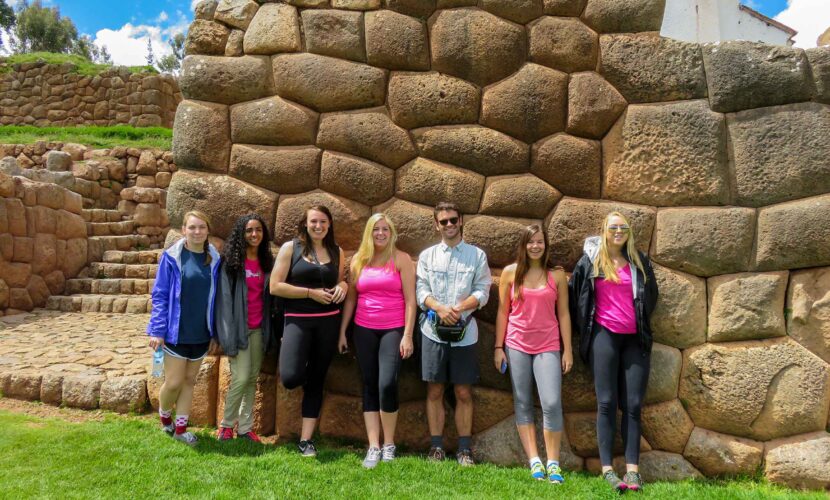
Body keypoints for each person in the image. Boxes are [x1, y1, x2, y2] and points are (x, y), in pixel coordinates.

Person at [569, 212, 658, 493]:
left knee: (633, 405)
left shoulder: (639, 261)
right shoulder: (591, 261)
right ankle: (607, 470)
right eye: (613, 227)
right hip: (603, 336)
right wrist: (587, 328)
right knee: (606, 402)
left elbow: (651, 295)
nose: (618, 231)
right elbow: (576, 297)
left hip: (635, 339)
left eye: (623, 227)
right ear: (604, 230)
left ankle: (633, 472)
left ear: (629, 232)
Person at [494, 224, 573, 484]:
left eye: (540, 241)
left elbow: (564, 314)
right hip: (516, 344)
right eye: (531, 242)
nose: (535, 246)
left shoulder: (557, 275)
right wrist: (498, 348)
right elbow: (503, 312)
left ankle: (553, 463)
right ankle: (534, 460)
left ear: (546, 245)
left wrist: (567, 350)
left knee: (551, 402)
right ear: (523, 245)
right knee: (522, 402)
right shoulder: (510, 273)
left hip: (548, 345)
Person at [338, 213, 416, 469]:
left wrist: (407, 335)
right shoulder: (358, 260)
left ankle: (389, 444)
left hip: (393, 329)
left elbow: (411, 301)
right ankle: (373, 446)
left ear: (391, 233)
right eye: (376, 229)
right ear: (369, 233)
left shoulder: (402, 259)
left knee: (387, 384)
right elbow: (351, 297)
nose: (381, 233)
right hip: (363, 329)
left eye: (385, 229)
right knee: (369, 384)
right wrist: (343, 331)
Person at [416, 201, 491, 466]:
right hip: (433, 332)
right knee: (434, 390)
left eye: (453, 220)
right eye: (443, 221)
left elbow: (483, 290)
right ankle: (436, 447)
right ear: (436, 225)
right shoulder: (427, 256)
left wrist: (458, 309)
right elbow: (421, 291)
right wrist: (440, 308)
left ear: (461, 221)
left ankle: (464, 450)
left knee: (463, 392)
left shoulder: (477, 256)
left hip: (465, 332)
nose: (449, 224)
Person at [270, 205, 347, 458]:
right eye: (314, 221)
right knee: (290, 377)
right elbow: (275, 286)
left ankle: (306, 440)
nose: (318, 226)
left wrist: (344, 286)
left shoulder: (336, 251)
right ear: (305, 223)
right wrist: (309, 293)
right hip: (298, 320)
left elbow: (340, 280)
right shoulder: (291, 248)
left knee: (317, 379)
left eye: (323, 222)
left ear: (329, 224)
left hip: (328, 322)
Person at [147, 210, 221, 446]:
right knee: (174, 382)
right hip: (175, 333)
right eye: (192, 227)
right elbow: (160, 294)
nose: (197, 232)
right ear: (183, 230)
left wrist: (215, 332)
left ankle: (180, 430)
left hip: (201, 333)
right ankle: (164, 415)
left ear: (208, 231)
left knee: (189, 381)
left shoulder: (215, 260)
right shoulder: (172, 258)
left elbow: (217, 299)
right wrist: (157, 330)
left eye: (201, 227)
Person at [215, 214, 275, 443]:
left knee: (251, 378)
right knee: (240, 378)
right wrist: (227, 334)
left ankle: (245, 428)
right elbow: (224, 301)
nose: (254, 234)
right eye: (249, 230)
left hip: (259, 328)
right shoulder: (231, 264)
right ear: (241, 234)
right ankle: (226, 426)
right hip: (238, 329)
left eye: (258, 230)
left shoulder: (267, 262)